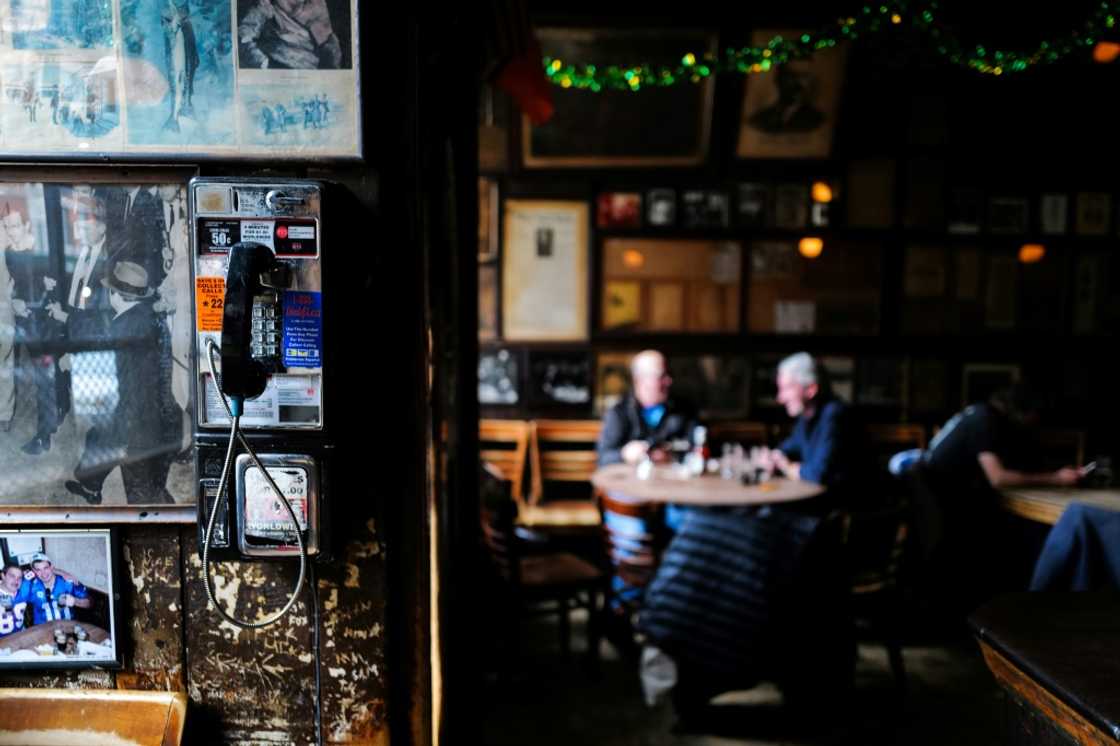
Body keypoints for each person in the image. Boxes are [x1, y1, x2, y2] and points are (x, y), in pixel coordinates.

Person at [64, 261, 175, 506]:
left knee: (144, 496)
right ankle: (91, 487)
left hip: (134, 422)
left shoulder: (123, 327)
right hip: (153, 412)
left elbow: (110, 373)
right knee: (99, 442)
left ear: (116, 295)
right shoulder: (151, 319)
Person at [757, 352, 864, 499]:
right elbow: (788, 448)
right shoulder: (806, 417)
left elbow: (818, 474)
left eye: (786, 388)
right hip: (814, 504)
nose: (780, 398)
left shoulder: (834, 415)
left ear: (811, 390)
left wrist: (786, 466)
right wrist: (774, 457)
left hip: (838, 511)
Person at [597, 349, 698, 469]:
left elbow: (695, 449)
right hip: (629, 484)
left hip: (670, 483)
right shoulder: (619, 413)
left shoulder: (683, 410)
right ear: (639, 380)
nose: (669, 381)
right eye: (661, 376)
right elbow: (603, 459)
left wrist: (671, 455)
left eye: (668, 374)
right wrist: (624, 454)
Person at [238, 0, 344, 70]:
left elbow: (331, 49)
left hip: (314, 78)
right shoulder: (266, 6)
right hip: (279, 74)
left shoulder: (317, 5)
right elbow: (242, 39)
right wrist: (265, 64)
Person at [25, 553, 91, 625]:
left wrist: (75, 601)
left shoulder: (67, 582)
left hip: (68, 626)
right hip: (42, 629)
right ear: (34, 572)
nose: (43, 573)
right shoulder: (31, 586)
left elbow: (89, 603)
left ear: (52, 567)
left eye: (46, 568)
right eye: (38, 570)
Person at [0, 564, 30, 638]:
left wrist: (60, 572)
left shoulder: (24, 590)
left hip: (21, 635)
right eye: (12, 576)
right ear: (3, 576)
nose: (16, 581)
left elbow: (41, 572)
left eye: (19, 578)